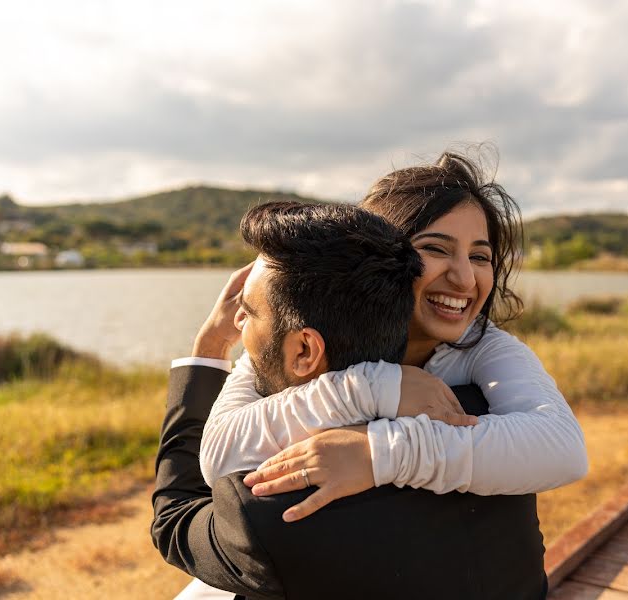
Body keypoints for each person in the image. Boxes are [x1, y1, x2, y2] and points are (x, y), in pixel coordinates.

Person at [153, 201, 548, 599]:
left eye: (249, 313)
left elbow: (174, 518)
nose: (238, 323)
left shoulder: (274, 505)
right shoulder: (489, 425)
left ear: (306, 350)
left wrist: (211, 344)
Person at [200, 151, 588, 524]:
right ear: (382, 256)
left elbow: (562, 449)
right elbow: (219, 453)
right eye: (436, 249)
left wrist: (379, 452)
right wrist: (374, 389)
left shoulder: (481, 345)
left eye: (480, 257)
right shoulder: (310, 331)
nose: (465, 279)